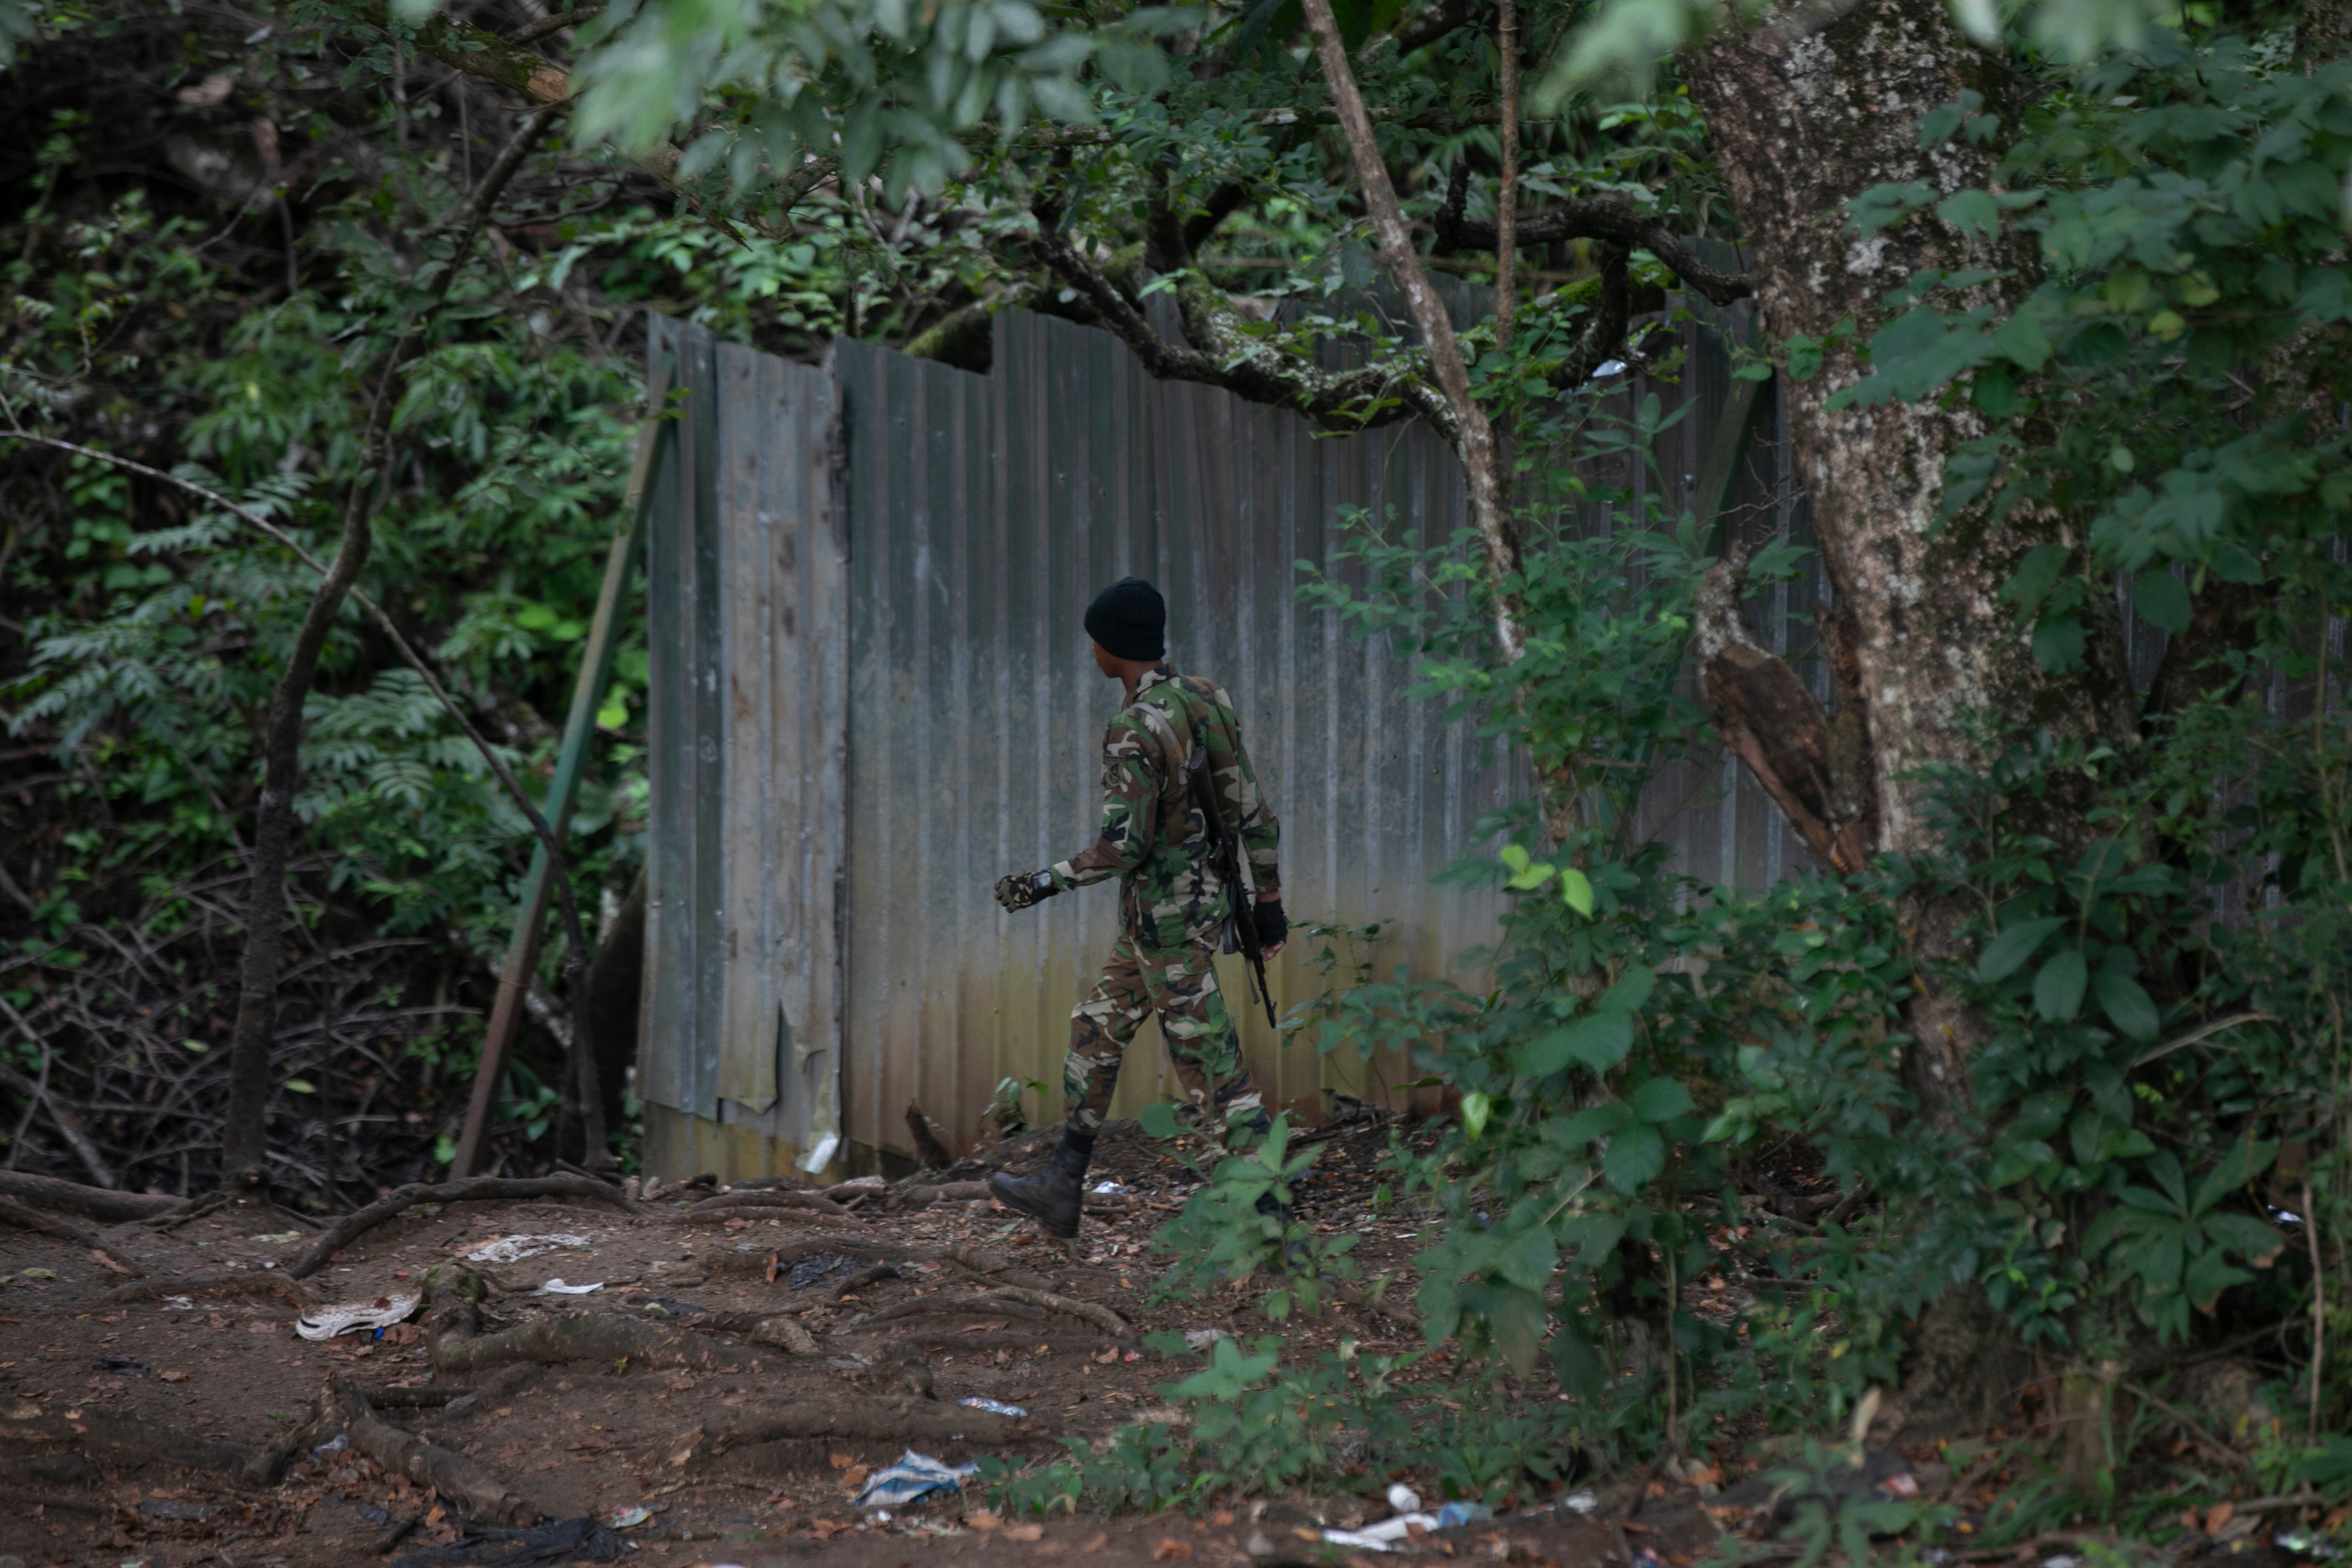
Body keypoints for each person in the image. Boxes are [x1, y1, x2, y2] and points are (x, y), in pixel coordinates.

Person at [987, 577, 1287, 1238]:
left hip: (1167, 925)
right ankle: (1064, 1186)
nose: (1091, 648)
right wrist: (1269, 900)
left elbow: (1123, 848)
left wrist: (1042, 882)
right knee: (1095, 1027)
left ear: (1112, 647)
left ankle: (1273, 1221)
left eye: (1095, 638)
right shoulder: (1204, 697)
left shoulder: (1132, 730)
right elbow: (1253, 811)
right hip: (1190, 909)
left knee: (1212, 1066)